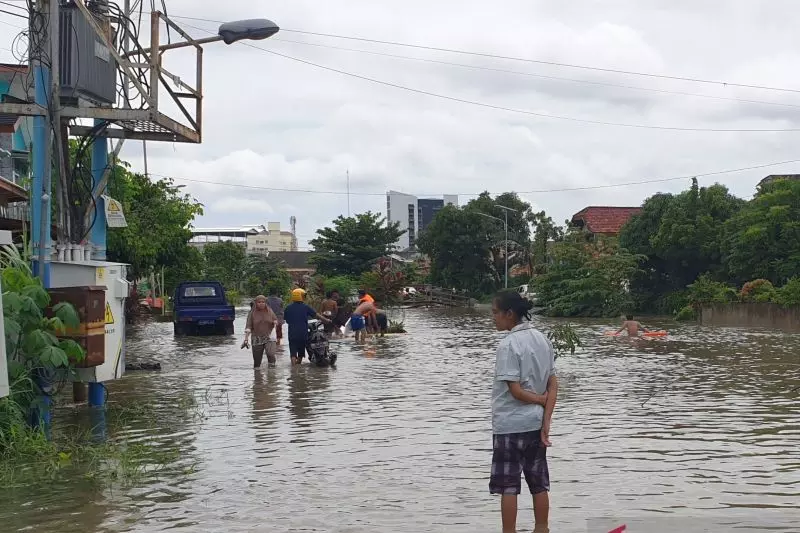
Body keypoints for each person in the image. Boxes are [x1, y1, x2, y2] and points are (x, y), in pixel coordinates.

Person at [490, 291, 558, 533]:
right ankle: (542, 528)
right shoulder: (542, 339)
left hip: (510, 424)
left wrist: (539, 400)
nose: (493, 318)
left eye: (496, 313)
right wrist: (546, 418)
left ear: (510, 314)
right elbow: (553, 383)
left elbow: (515, 390)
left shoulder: (508, 345)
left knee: (508, 486)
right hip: (536, 424)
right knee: (539, 484)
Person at [283, 288, 331, 365]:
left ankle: (294, 370)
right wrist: (326, 320)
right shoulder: (305, 307)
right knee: (301, 351)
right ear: (301, 296)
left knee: (293, 351)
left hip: (292, 333)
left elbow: (286, 320)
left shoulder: (288, 308)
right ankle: (298, 366)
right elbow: (317, 315)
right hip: (303, 333)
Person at [242, 295, 278, 368]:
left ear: (265, 303)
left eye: (263, 302)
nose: (261, 303)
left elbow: (275, 319)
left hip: (270, 336)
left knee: (270, 354)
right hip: (256, 338)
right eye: (259, 302)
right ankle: (257, 377)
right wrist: (246, 339)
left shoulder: (270, 311)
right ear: (256, 303)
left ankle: (272, 373)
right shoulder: (252, 313)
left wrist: (275, 322)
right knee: (257, 361)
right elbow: (248, 327)